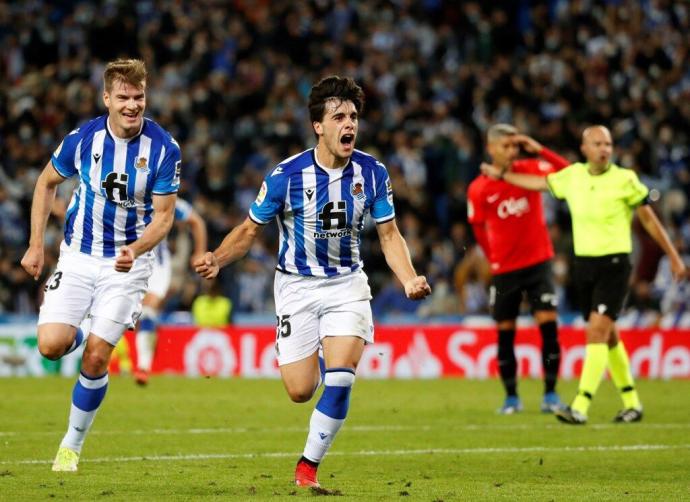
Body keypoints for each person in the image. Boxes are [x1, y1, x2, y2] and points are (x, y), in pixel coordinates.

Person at [195, 75, 431, 488]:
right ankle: (320, 354)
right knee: (300, 390)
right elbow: (250, 231)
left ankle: (308, 468)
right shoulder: (287, 175)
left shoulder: (372, 172)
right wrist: (218, 258)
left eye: (354, 116)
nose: (349, 125)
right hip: (296, 287)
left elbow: (389, 235)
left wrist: (409, 278)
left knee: (341, 377)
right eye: (338, 116)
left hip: (347, 285)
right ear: (318, 126)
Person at [20, 59, 180, 470]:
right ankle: (93, 326)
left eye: (139, 97)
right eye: (123, 97)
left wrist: (137, 248)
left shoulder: (163, 148)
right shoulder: (83, 139)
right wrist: (36, 245)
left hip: (127, 265)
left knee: (95, 357)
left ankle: (70, 445)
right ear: (106, 98)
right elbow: (45, 183)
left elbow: (164, 217)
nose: (132, 105)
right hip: (77, 255)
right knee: (51, 346)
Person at [481, 125, 687, 424]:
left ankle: (580, 405)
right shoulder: (574, 177)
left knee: (596, 331)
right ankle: (632, 402)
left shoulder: (625, 179)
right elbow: (537, 184)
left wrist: (673, 256)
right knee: (609, 333)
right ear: (584, 149)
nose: (604, 148)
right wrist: (502, 176)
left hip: (615, 265)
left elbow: (650, 221)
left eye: (608, 143)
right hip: (585, 267)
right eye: (598, 143)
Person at [467, 124, 570, 414]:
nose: (512, 151)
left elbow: (570, 175)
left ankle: (550, 394)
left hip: (539, 263)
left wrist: (539, 149)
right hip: (506, 270)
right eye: (506, 146)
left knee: (549, 327)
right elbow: (478, 230)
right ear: (491, 148)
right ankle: (511, 397)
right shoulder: (479, 188)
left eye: (515, 146)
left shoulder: (529, 168)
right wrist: (494, 258)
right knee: (505, 332)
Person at [133, 198, 207, 385]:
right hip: (124, 262)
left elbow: (196, 221)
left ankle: (143, 366)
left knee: (147, 311)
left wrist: (199, 252)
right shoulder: (124, 191)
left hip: (156, 265)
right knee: (134, 315)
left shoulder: (165, 197)